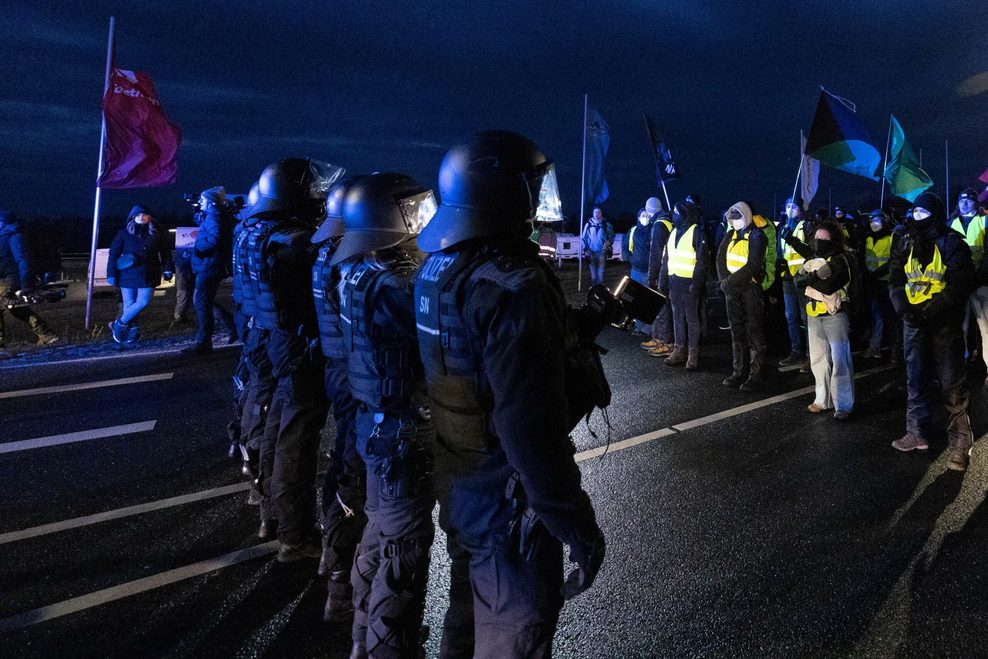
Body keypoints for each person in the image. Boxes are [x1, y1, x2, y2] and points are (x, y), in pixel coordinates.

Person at [415, 130, 605, 658]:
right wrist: (575, 523)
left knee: (465, 622)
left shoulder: (438, 269)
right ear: (504, 192)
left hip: (462, 487)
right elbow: (530, 432)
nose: (541, 196)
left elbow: (467, 367)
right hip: (507, 505)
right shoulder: (512, 286)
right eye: (533, 185)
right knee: (513, 637)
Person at [326, 172, 437, 658]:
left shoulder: (356, 272)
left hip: (376, 427)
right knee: (403, 555)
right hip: (402, 434)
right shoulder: (393, 285)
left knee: (378, 536)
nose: (421, 221)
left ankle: (360, 634)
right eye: (411, 212)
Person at [247, 158, 338, 560]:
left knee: (278, 426)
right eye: (314, 190)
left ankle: (273, 516)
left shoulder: (263, 232)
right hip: (297, 342)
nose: (320, 195)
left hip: (274, 336)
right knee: (297, 438)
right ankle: (295, 534)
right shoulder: (295, 243)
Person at [310, 178, 368, 624]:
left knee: (342, 463)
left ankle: (332, 557)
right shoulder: (347, 266)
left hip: (337, 367)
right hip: (352, 372)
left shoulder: (325, 257)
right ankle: (341, 579)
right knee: (353, 471)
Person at [888, 192, 976, 471]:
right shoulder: (906, 242)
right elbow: (896, 277)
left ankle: (960, 446)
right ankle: (917, 433)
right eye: (914, 213)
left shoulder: (951, 242)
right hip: (913, 323)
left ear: (935, 213)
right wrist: (904, 308)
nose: (918, 218)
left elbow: (960, 283)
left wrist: (932, 311)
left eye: (923, 213)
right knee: (915, 380)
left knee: (952, 384)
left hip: (943, 324)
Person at [796, 221, 854, 419]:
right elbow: (798, 280)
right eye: (817, 238)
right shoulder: (812, 258)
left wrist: (810, 279)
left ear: (833, 239)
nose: (819, 241)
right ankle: (822, 400)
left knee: (840, 361)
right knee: (818, 361)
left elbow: (829, 285)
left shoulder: (841, 259)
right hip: (814, 315)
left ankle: (843, 405)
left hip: (834, 315)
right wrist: (816, 276)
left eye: (824, 238)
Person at [717, 201, 768, 391]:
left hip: (749, 290)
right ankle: (738, 371)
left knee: (754, 332)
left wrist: (728, 283)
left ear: (746, 216)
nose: (733, 221)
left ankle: (755, 375)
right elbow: (720, 258)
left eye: (737, 217)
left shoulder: (757, 235)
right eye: (731, 218)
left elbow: (753, 265)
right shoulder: (730, 235)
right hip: (732, 291)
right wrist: (725, 282)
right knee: (737, 332)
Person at [106, 205, 173, 344]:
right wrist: (111, 274)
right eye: (138, 215)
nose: (141, 217)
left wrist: (168, 269)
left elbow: (166, 253)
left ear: (150, 217)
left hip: (149, 272)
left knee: (143, 301)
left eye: (144, 214)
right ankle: (131, 332)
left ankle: (118, 324)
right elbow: (113, 254)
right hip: (128, 273)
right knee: (129, 304)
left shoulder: (157, 233)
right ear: (132, 217)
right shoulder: (124, 233)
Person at [183, 186, 237, 354]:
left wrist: (200, 249)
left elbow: (216, 238)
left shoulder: (215, 218)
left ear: (211, 202)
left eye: (203, 199)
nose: (200, 202)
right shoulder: (214, 216)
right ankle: (233, 326)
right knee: (203, 301)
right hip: (209, 265)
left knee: (200, 302)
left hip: (209, 265)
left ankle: (204, 342)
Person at [0, 209, 59, 353]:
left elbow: (23, 261)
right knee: (16, 308)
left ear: (3, 222)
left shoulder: (14, 237)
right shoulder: (4, 237)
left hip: (11, 279)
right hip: (5, 278)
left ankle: (0, 344)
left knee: (12, 307)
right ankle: (47, 335)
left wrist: (25, 284)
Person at [658, 200, 708, 369]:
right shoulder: (672, 232)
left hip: (689, 285)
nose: (673, 215)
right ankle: (679, 351)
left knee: (692, 319)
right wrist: (663, 280)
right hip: (674, 284)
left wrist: (696, 283)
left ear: (685, 215)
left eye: (676, 212)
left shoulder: (697, 232)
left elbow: (702, 262)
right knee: (677, 318)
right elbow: (667, 259)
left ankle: (693, 354)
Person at [950, 188, 987, 383]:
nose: (964, 203)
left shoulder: (984, 221)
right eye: (961, 200)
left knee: (985, 327)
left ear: (975, 203)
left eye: (968, 200)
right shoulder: (952, 224)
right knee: (960, 326)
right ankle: (962, 362)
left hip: (981, 281)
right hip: (960, 283)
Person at [862, 209, 898, 360]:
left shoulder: (892, 237)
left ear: (884, 221)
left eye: (876, 221)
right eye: (871, 221)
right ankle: (877, 346)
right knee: (876, 316)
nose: (873, 225)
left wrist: (875, 274)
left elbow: (893, 260)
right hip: (872, 283)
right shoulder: (867, 238)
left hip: (887, 282)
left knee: (889, 317)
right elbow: (863, 258)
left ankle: (893, 349)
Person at [642, 196, 674, 355]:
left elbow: (656, 254)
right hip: (669, 269)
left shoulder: (658, 225)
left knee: (662, 306)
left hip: (662, 271)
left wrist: (652, 276)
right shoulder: (668, 222)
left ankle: (665, 342)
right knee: (662, 306)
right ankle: (659, 338)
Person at [626, 207, 653, 335]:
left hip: (649, 271)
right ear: (638, 217)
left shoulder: (654, 229)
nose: (645, 217)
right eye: (643, 215)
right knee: (636, 299)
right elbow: (625, 246)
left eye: (647, 215)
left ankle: (648, 329)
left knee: (648, 299)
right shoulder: (634, 231)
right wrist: (631, 259)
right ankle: (638, 326)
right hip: (636, 270)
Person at [581, 207, 613, 286]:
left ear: (601, 213)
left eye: (599, 212)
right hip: (591, 253)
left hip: (602, 253)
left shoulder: (606, 224)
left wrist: (608, 243)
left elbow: (612, 236)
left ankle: (600, 292)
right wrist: (585, 250)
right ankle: (593, 291)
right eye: (595, 212)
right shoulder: (588, 224)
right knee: (594, 275)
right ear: (593, 213)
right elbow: (583, 238)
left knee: (600, 274)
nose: (597, 214)